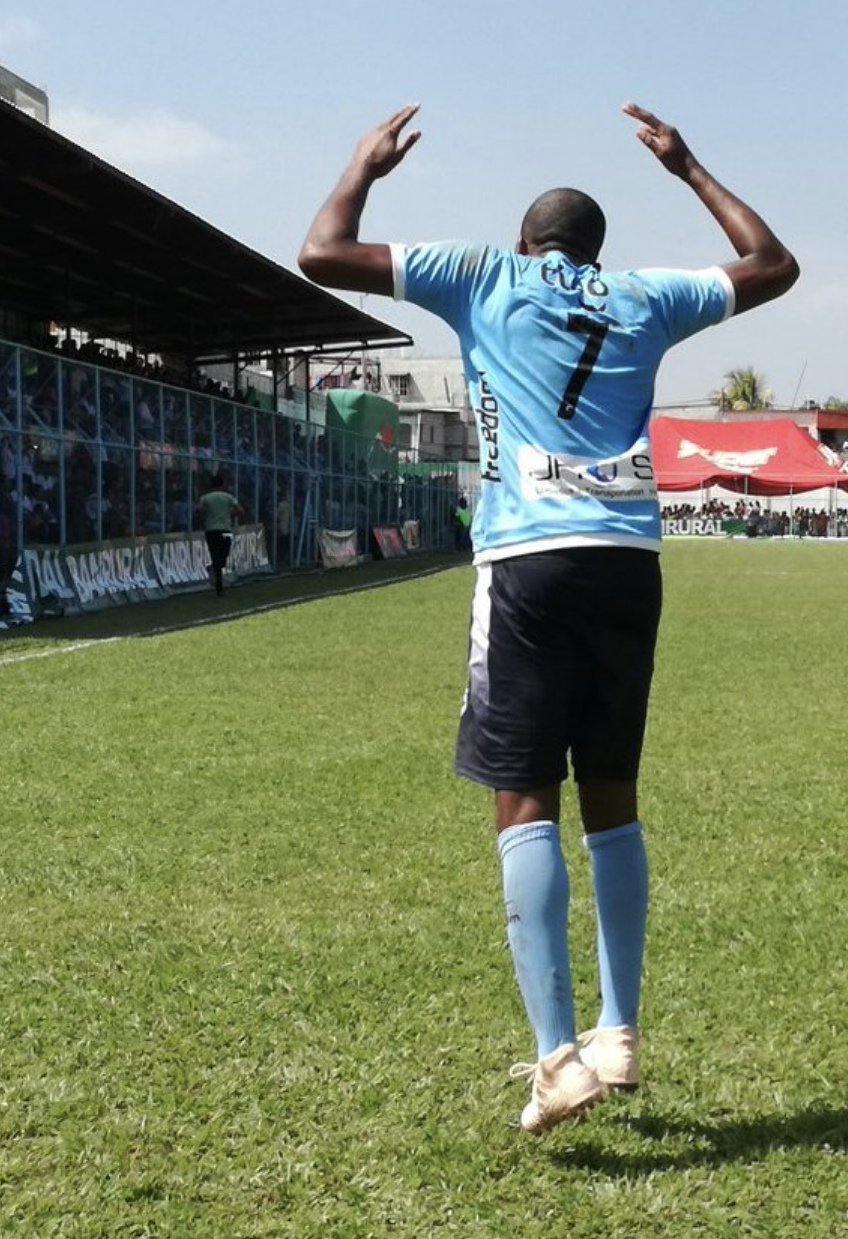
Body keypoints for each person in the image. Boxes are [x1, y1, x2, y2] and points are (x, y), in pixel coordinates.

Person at [297, 100, 797, 1135]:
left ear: (529, 242)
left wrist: (364, 163)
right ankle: (618, 1028)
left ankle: (555, 1056)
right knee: (611, 794)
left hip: (527, 559)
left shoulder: (484, 275)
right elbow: (771, 263)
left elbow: (321, 252)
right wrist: (689, 165)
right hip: (627, 562)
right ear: (595, 248)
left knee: (522, 801)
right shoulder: (646, 295)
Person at [195, 473, 243, 596]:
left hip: (211, 530)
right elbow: (240, 510)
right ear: (222, 485)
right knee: (223, 555)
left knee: (215, 555)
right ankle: (219, 587)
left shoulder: (205, 497)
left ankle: (217, 582)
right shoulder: (228, 497)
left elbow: (198, 510)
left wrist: (205, 517)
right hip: (225, 530)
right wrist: (230, 513)